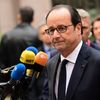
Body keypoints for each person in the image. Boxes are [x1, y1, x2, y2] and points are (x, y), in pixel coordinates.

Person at [42, 4, 100, 100]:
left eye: (61, 28)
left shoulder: (97, 62)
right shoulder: (51, 64)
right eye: (51, 30)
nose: (55, 35)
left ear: (78, 28)